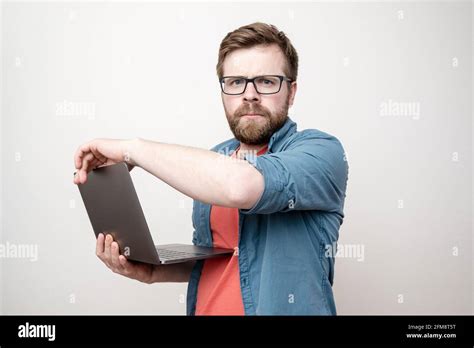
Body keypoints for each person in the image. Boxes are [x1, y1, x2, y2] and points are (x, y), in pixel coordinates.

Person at [73, 22, 349, 315]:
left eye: (267, 81)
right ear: (223, 92)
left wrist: (134, 149)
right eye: (235, 82)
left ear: (291, 93)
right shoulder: (215, 160)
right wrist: (153, 271)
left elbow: (241, 186)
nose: (250, 95)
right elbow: (225, 257)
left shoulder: (322, 153)